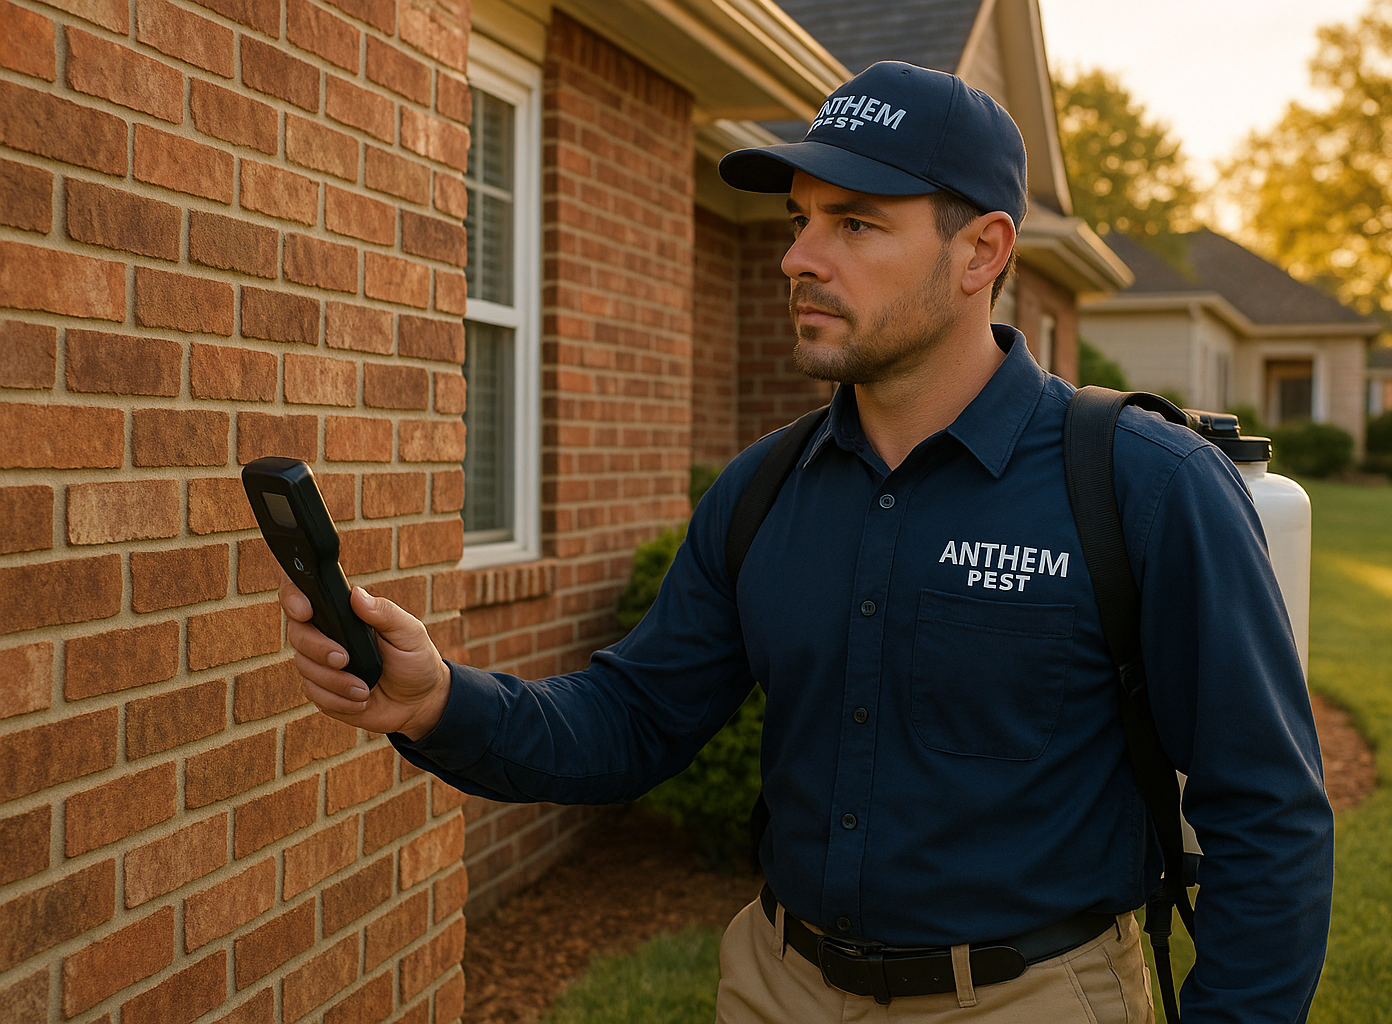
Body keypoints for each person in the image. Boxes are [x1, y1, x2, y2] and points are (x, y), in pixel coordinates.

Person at [283, 61, 1333, 1023]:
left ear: (982, 251)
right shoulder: (764, 491)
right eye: (799, 219)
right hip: (777, 986)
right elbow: (633, 718)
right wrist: (438, 701)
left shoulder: (1143, 485)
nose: (797, 257)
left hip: (1029, 997)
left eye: (856, 223)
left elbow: (1268, 813)